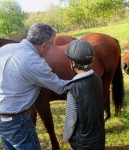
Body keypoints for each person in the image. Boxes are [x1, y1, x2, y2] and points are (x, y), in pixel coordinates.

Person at [0, 22, 69, 150]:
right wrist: (83, 80)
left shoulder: (5, 49)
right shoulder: (34, 62)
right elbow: (60, 87)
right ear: (44, 45)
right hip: (17, 120)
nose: (52, 49)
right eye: (52, 46)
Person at [63, 40, 105, 150]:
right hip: (99, 137)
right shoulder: (97, 78)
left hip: (82, 143)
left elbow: (71, 120)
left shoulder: (73, 88)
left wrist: (66, 137)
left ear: (73, 63)